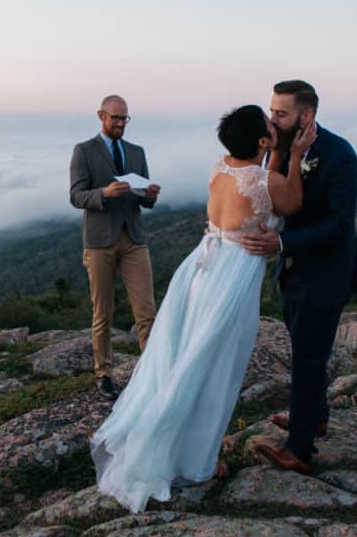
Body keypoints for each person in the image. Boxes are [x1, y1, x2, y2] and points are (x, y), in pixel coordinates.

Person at [91, 104, 314, 513]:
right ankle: (197, 461)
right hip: (231, 276)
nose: (273, 128)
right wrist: (296, 155)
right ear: (263, 142)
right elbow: (294, 201)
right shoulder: (268, 181)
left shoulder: (219, 168)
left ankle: (174, 442)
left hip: (199, 270)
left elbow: (257, 180)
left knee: (183, 358)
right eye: (269, 128)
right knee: (215, 369)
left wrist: (275, 154)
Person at [241, 80, 357, 475]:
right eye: (271, 110)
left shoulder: (339, 156)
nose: (271, 118)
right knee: (305, 348)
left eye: (280, 113)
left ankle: (298, 449)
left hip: (325, 271)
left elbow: (338, 226)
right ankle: (315, 417)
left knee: (308, 358)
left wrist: (282, 241)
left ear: (305, 116)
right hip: (293, 269)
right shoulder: (280, 149)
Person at [70, 95, 162, 400]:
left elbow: (144, 200)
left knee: (146, 310)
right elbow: (76, 196)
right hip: (99, 242)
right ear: (101, 116)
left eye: (125, 119)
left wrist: (150, 194)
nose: (121, 123)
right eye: (115, 118)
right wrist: (104, 193)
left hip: (134, 238)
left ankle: (152, 371)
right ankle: (104, 373)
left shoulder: (138, 152)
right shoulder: (83, 151)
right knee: (103, 312)